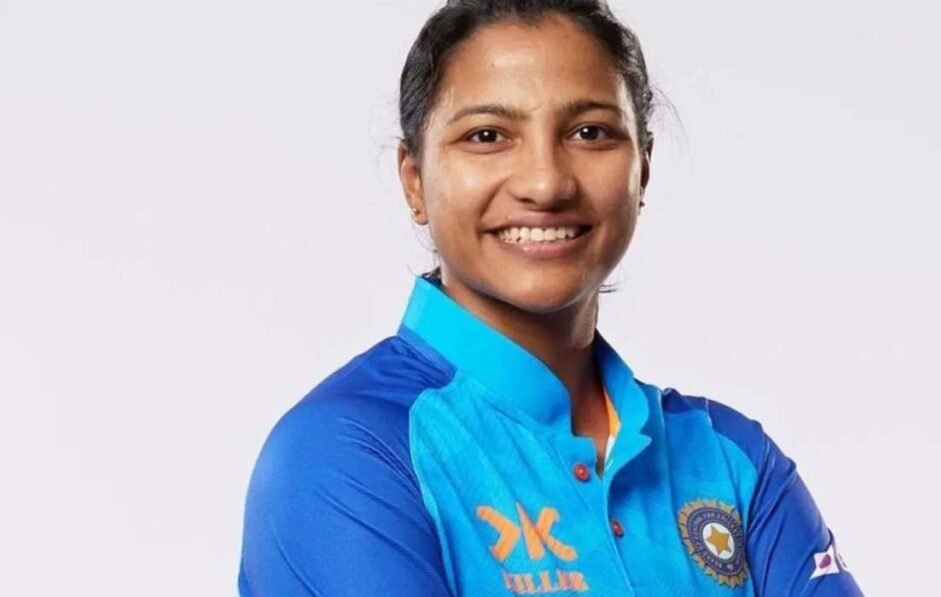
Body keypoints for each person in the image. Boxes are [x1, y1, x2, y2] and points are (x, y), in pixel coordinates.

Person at [238, 1, 863, 595]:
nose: (545, 183)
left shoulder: (732, 460)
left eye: (590, 132)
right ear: (415, 181)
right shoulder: (345, 451)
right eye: (487, 135)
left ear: (642, 169)